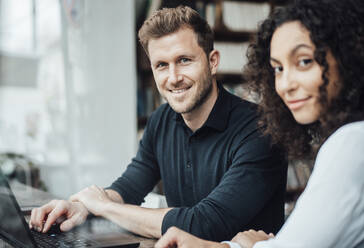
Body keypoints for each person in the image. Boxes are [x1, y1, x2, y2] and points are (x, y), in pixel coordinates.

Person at [29, 6, 287, 242]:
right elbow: (129, 187)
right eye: (162, 65)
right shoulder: (160, 120)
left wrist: (103, 206)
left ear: (212, 61)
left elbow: (205, 224)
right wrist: (81, 208)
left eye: (184, 60)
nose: (173, 78)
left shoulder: (262, 128)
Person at [155, 0, 364, 247]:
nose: (286, 84)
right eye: (278, 68)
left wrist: (248, 245)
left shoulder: (352, 142)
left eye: (304, 61)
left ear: (349, 56)